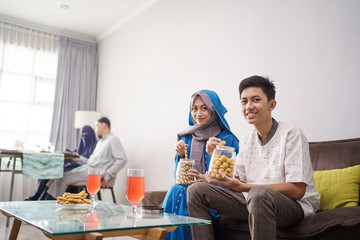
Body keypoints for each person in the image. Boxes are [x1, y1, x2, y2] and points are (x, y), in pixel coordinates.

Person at [187, 76, 320, 240]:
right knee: (196, 191)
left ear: (272, 104)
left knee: (258, 194)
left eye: (255, 100)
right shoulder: (246, 139)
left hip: (291, 206)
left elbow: (297, 190)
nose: (248, 106)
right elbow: (234, 180)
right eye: (244, 101)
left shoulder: (291, 134)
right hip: (253, 201)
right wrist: (215, 156)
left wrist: (247, 187)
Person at [162, 90, 239, 240]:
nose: (198, 113)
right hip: (186, 192)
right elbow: (180, 179)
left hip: (214, 196)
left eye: (204, 108)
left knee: (185, 192)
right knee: (177, 189)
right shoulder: (187, 137)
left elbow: (233, 178)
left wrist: (206, 177)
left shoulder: (227, 139)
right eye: (194, 108)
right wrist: (180, 156)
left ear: (214, 110)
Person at [41, 117, 127, 200]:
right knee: (58, 176)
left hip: (95, 173)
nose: (95, 129)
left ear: (104, 125)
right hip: (88, 168)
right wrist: (79, 159)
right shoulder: (101, 141)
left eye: (97, 125)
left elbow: (122, 159)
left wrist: (108, 175)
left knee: (64, 178)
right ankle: (44, 202)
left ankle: (51, 204)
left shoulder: (113, 140)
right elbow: (91, 162)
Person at [25, 125, 97, 201]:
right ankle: (38, 197)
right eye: (82, 135)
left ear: (92, 134)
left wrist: (75, 163)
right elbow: (72, 155)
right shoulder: (79, 148)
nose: (84, 137)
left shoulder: (96, 149)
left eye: (86, 135)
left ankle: (43, 200)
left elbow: (90, 164)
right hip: (70, 168)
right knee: (48, 171)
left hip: (80, 171)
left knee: (55, 174)